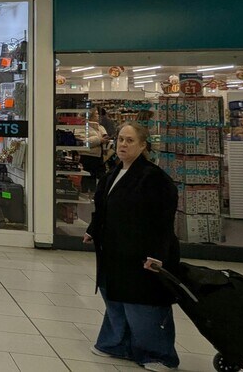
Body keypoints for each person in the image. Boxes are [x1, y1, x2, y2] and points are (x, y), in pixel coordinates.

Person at [84, 122, 179, 371]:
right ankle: (116, 344)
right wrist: (92, 230)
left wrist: (158, 255)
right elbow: (104, 208)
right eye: (121, 140)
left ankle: (157, 353)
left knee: (141, 303)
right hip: (115, 251)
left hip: (140, 253)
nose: (123, 145)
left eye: (130, 141)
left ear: (143, 146)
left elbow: (163, 221)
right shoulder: (115, 173)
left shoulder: (154, 178)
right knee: (115, 297)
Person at [80, 109, 110, 193]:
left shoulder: (100, 127)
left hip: (99, 157)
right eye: (96, 114)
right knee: (88, 179)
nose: (98, 116)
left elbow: (104, 138)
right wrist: (99, 140)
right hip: (88, 157)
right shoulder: (83, 127)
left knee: (100, 178)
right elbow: (83, 142)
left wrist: (105, 139)